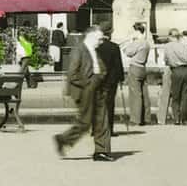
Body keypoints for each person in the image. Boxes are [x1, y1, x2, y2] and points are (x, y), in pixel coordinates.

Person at [53, 24, 116, 162]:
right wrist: (89, 84)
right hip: (85, 90)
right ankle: (63, 139)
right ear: (91, 35)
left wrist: (100, 77)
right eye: (99, 39)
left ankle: (102, 151)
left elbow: (101, 68)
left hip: (97, 89)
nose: (101, 42)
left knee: (102, 121)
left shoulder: (94, 50)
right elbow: (73, 74)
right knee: (85, 123)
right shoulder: (79, 50)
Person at [121, 23, 153, 129]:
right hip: (142, 67)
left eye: (133, 31)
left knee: (135, 94)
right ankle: (146, 117)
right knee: (144, 94)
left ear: (137, 31)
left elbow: (128, 52)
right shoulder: (146, 43)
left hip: (135, 67)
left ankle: (135, 119)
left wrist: (129, 42)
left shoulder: (138, 42)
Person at [162, 29, 187, 124]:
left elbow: (166, 60)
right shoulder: (185, 46)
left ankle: (176, 118)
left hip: (176, 71)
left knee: (176, 96)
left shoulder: (168, 46)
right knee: (185, 96)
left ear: (171, 36)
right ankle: (183, 118)